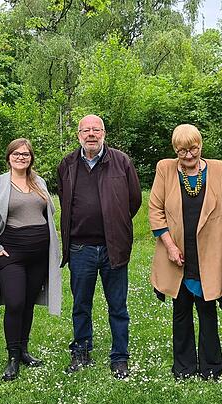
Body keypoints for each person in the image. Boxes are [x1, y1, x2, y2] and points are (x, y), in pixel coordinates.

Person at [148, 124, 222, 380]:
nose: (188, 155)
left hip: (208, 254)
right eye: (182, 151)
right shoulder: (165, 168)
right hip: (178, 251)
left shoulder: (217, 169)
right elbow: (155, 210)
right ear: (175, 150)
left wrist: (221, 233)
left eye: (193, 149)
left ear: (201, 146)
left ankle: (211, 368)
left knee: (208, 311)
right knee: (181, 309)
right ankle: (184, 368)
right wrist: (170, 246)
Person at [57, 114, 142, 379]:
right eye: (86, 130)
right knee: (81, 304)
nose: (91, 134)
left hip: (112, 247)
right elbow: (64, 198)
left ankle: (119, 357)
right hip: (81, 248)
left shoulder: (121, 161)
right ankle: (81, 352)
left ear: (104, 133)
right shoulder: (68, 164)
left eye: (96, 129)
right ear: (78, 134)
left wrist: (115, 223)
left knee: (118, 306)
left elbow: (134, 201)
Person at [0, 138, 62, 381]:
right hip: (10, 253)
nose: (21, 157)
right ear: (9, 157)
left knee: (27, 303)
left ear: (31, 158)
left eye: (25, 154)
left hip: (39, 255)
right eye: (16, 154)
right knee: (14, 303)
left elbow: (48, 215)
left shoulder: (39, 183)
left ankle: (24, 350)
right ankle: (12, 357)